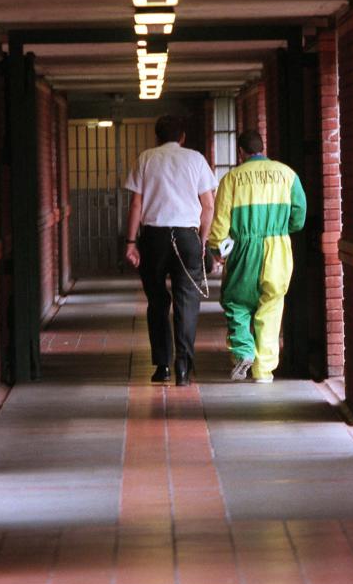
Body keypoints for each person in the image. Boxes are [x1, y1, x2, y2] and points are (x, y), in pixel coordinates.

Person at [124, 115, 218, 386]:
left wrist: (131, 242)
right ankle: (184, 368)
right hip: (187, 237)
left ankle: (162, 366)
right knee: (187, 300)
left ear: (157, 137)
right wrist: (202, 239)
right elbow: (209, 206)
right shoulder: (196, 159)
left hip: (154, 238)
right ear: (183, 137)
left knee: (157, 301)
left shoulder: (146, 158)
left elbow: (135, 205)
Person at [208, 130, 306, 383]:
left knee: (235, 303)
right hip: (278, 248)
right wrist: (282, 229)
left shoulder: (231, 179)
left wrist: (217, 249)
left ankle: (243, 351)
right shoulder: (287, 174)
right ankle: (264, 371)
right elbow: (299, 216)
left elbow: (220, 222)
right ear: (263, 147)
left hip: (244, 249)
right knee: (271, 307)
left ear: (240, 152)